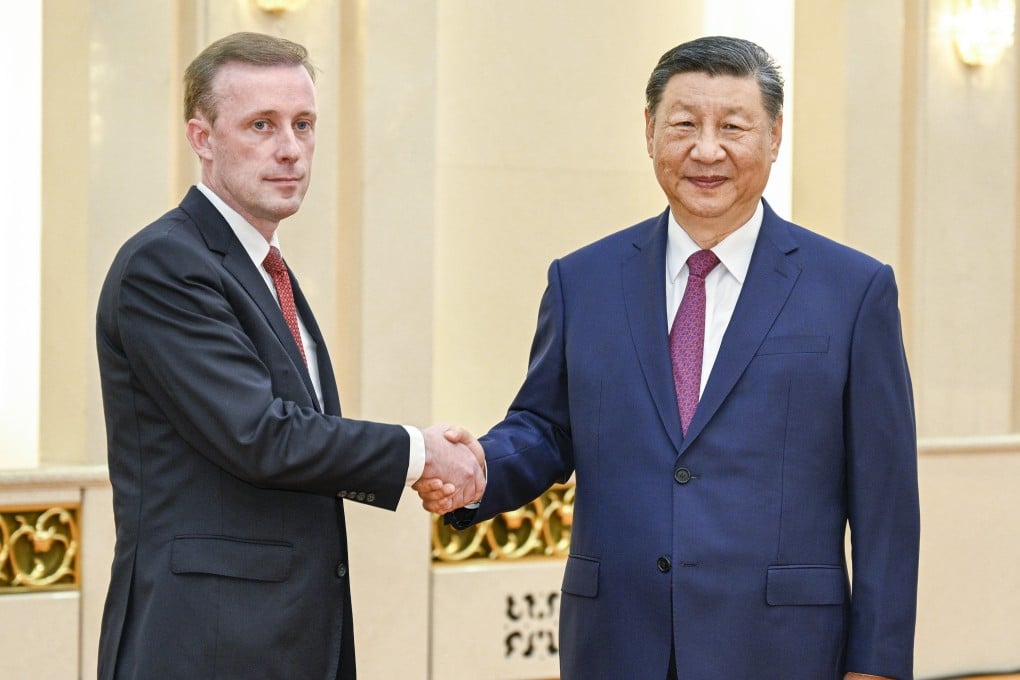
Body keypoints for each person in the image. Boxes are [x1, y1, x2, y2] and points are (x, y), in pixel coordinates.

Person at [421, 36, 919, 679]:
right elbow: (547, 426)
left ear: (774, 137)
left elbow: (886, 501)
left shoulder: (853, 290)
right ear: (650, 131)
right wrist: (481, 467)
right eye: (684, 124)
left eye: (733, 127)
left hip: (784, 648)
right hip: (618, 642)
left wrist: (876, 664)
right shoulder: (584, 280)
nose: (706, 150)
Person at [95, 32, 484, 679]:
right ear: (202, 137)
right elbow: (261, 435)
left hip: (287, 638)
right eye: (261, 125)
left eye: (304, 124)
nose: (291, 149)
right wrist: (419, 453)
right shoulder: (165, 265)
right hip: (203, 643)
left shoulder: (264, 267)